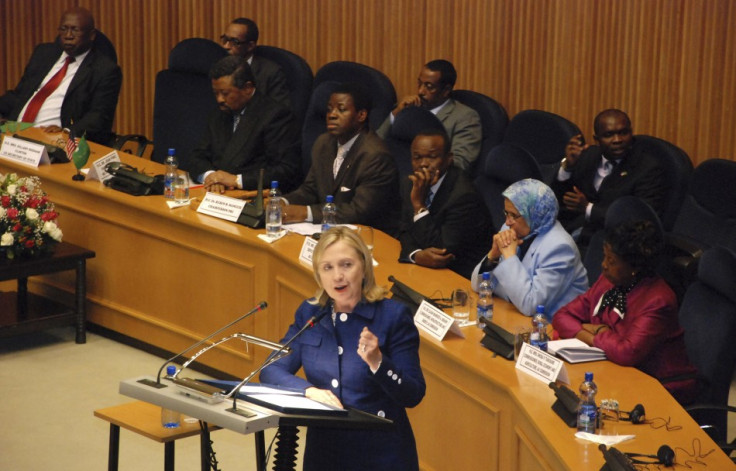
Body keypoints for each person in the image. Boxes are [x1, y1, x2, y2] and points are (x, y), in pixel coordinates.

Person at [260, 227, 425, 471]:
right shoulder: (311, 313)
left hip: (380, 455)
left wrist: (378, 362)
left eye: (346, 265)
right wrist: (308, 391)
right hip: (325, 453)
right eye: (328, 268)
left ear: (364, 267)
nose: (338, 276)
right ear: (318, 274)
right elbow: (271, 369)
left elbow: (413, 393)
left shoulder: (392, 316)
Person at [552, 220, 698, 405]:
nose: (603, 265)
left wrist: (596, 332)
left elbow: (626, 352)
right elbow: (562, 316)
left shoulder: (658, 300)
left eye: (611, 261)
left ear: (634, 268)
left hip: (660, 385)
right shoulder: (608, 281)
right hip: (614, 369)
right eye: (605, 257)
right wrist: (588, 332)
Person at [281, 82, 401, 236]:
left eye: (341, 109)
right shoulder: (323, 143)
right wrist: (282, 202)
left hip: (368, 238)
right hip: (331, 232)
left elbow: (359, 211)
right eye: (329, 109)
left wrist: (306, 212)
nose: (332, 115)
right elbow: (311, 189)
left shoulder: (375, 156)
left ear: (361, 115)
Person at [0, 7, 122, 144]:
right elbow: (20, 94)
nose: (68, 35)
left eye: (75, 30)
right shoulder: (44, 54)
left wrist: (66, 131)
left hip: (54, 141)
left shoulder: (104, 70)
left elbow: (99, 117)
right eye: (63, 29)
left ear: (92, 35)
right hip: (14, 134)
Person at [471, 179, 588, 317]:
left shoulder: (560, 248)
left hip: (550, 328)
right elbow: (477, 286)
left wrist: (509, 257)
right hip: (512, 315)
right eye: (506, 213)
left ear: (535, 213)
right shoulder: (511, 229)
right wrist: (493, 256)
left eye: (514, 215)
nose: (507, 222)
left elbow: (531, 305)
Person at [551, 109, 667, 248]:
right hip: (575, 234)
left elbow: (641, 221)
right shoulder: (587, 156)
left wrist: (588, 208)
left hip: (615, 244)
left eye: (623, 133)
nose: (617, 140)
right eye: (608, 135)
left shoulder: (647, 168)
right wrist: (567, 168)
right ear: (597, 139)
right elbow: (558, 201)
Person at [188, 55, 301, 193]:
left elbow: (285, 171)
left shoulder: (275, 116)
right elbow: (197, 156)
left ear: (247, 88)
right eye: (215, 93)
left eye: (225, 93)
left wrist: (236, 180)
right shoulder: (220, 111)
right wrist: (211, 176)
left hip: (251, 196)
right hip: (216, 193)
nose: (219, 99)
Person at [398, 129, 492, 279]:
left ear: (449, 158)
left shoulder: (464, 196)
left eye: (432, 157)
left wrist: (419, 205)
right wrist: (415, 255)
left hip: (461, 277)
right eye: (417, 157)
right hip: (424, 270)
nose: (423, 164)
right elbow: (403, 229)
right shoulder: (410, 184)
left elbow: (441, 251)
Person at [376, 60, 481, 171]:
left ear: (446, 90)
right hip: (391, 172)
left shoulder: (465, 117)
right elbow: (375, 143)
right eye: (419, 84)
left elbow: (460, 163)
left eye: (429, 87)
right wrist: (396, 114)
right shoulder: (410, 109)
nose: (421, 91)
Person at [219, 17, 290, 108]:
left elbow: (281, 112)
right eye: (225, 39)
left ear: (250, 46)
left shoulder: (270, 73)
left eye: (235, 42)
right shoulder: (218, 67)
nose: (226, 46)